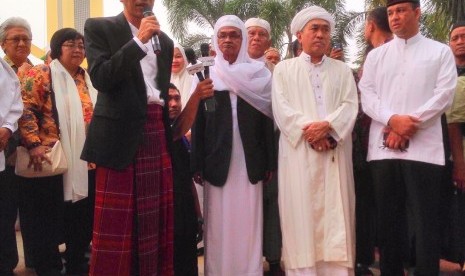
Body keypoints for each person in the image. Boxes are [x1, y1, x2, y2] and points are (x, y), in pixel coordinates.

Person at [358, 0, 457, 274]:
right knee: (388, 223)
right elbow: (367, 95)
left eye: (401, 11)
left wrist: (409, 124)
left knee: (426, 222)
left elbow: (444, 94)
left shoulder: (439, 52)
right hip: (383, 150)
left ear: (416, 13)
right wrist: (392, 120)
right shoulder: (376, 56)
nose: (395, 17)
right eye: (390, 13)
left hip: (425, 150)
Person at [82, 0, 175, 274]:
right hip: (118, 137)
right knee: (115, 230)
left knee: (153, 224)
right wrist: (139, 40)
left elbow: (159, 92)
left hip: (156, 131)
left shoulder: (165, 43)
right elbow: (101, 78)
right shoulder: (99, 27)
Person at [272, 6, 358, 275]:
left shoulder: (343, 70)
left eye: (325, 29)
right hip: (299, 154)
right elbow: (281, 108)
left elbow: (350, 104)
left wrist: (329, 128)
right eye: (314, 29)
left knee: (337, 213)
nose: (320, 35)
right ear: (300, 34)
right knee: (301, 216)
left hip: (334, 151)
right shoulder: (283, 70)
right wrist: (310, 131)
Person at [190, 15, 276, 276]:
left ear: (243, 39)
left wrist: (270, 162)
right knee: (219, 225)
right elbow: (198, 122)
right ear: (216, 40)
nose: (228, 40)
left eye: (234, 35)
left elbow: (267, 122)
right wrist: (196, 163)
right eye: (223, 35)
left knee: (248, 223)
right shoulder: (207, 74)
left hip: (251, 161)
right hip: (217, 162)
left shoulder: (259, 75)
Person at [18, 28, 97, 276]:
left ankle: (77, 264)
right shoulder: (42, 74)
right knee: (48, 221)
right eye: (71, 44)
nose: (78, 50)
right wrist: (34, 143)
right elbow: (25, 108)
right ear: (56, 48)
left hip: (86, 161)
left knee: (82, 219)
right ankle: (49, 268)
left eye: (81, 46)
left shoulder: (88, 77)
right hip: (51, 160)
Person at [353, 7, 394, 276]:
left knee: (379, 204)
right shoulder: (377, 53)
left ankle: (379, 259)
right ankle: (369, 257)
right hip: (372, 141)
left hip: (382, 139)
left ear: (370, 26)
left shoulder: (384, 54)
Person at [245, 17, 284, 276]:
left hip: (273, 145)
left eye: (261, 34)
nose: (256, 38)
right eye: (251, 34)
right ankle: (247, 259)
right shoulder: (230, 68)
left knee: (272, 202)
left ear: (268, 40)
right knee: (244, 205)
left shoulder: (278, 72)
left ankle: (272, 257)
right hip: (241, 151)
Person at [0, 16, 34, 272]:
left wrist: (6, 128)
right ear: (3, 44)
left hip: (23, 154)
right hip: (10, 153)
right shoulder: (5, 69)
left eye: (26, 39)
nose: (22, 43)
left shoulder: (35, 69)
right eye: (15, 39)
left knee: (9, 212)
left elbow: (16, 109)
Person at [0, 57, 22, 276]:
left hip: (1, 149)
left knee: (3, 215)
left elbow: (15, 104)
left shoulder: (5, 70)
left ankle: (5, 266)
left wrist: (7, 128)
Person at [171, 44, 193, 110]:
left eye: (178, 56)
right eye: (170, 56)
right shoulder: (161, 81)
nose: (174, 61)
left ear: (184, 58)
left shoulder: (194, 81)